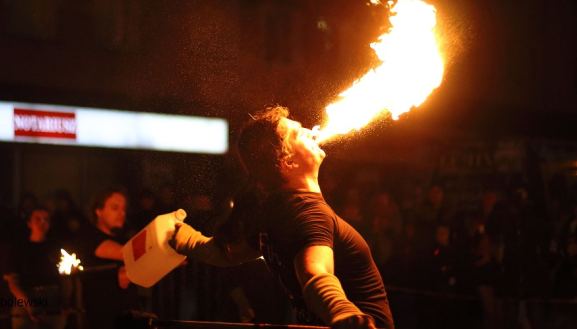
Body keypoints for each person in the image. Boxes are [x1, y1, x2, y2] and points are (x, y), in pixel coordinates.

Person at [170, 106, 394, 329]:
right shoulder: (310, 214)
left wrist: (181, 237)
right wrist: (342, 312)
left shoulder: (273, 213)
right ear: (288, 162)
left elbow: (226, 255)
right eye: (298, 133)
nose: (309, 131)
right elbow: (314, 274)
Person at [74, 187, 141, 329]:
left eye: (124, 209)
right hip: (103, 318)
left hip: (128, 316)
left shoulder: (124, 238)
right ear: (98, 210)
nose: (121, 213)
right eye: (115, 208)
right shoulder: (89, 236)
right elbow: (125, 254)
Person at [4, 206, 68, 329]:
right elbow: (13, 282)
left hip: (53, 298)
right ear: (29, 223)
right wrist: (30, 307)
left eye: (45, 220)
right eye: (37, 219)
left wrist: (64, 301)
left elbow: (66, 278)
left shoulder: (56, 248)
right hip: (26, 297)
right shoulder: (19, 249)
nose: (42, 223)